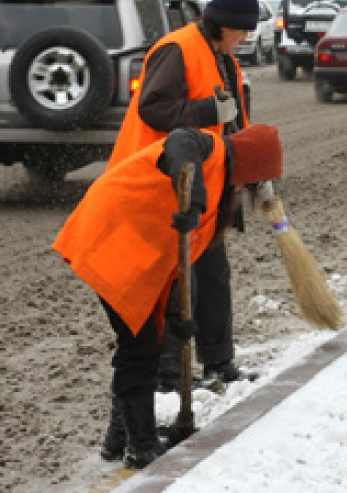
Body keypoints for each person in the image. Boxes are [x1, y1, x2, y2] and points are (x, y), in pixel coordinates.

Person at [53, 124, 284, 469]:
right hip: (112, 235)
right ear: (250, 165)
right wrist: (195, 199)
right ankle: (140, 444)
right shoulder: (209, 149)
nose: (248, 192)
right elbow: (179, 141)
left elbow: (177, 256)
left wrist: (177, 317)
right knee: (140, 348)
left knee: (142, 343)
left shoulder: (220, 189)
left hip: (132, 247)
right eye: (254, 182)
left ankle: (119, 439)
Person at [106, 0, 260, 394]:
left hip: (206, 182)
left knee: (213, 274)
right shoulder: (179, 48)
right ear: (224, 24)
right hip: (165, 184)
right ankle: (169, 374)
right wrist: (207, 109)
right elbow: (152, 107)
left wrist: (247, 164)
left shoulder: (221, 54)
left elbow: (231, 119)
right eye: (242, 29)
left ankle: (219, 361)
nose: (246, 37)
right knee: (177, 282)